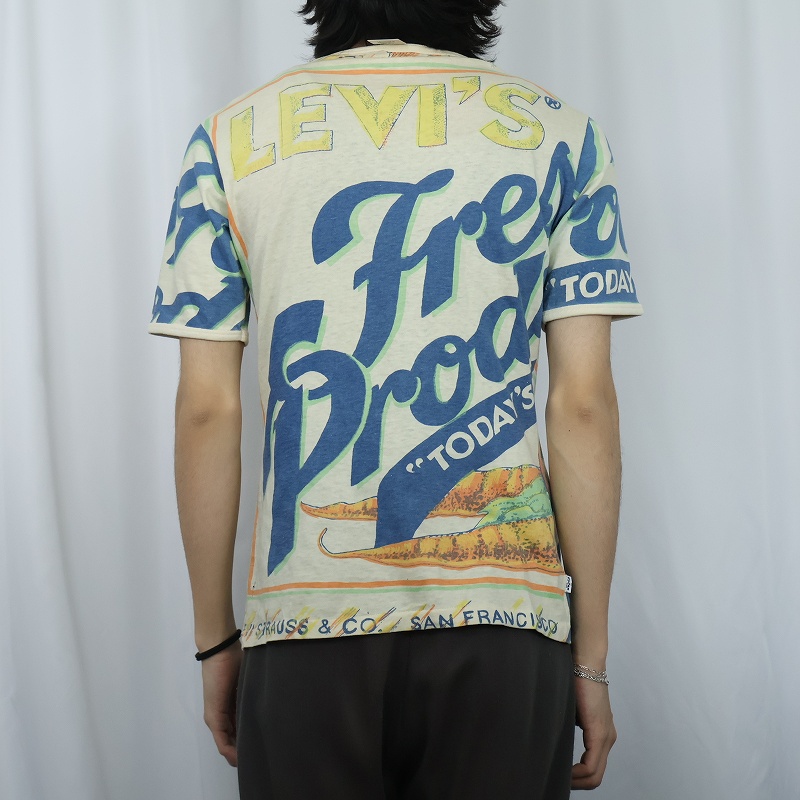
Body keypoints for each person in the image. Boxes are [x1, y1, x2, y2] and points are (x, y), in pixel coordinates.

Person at [147, 1, 642, 797]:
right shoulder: (565, 137)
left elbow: (208, 408)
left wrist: (216, 640)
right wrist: (591, 658)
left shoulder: (227, 141)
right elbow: (581, 403)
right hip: (505, 620)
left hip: (304, 620)